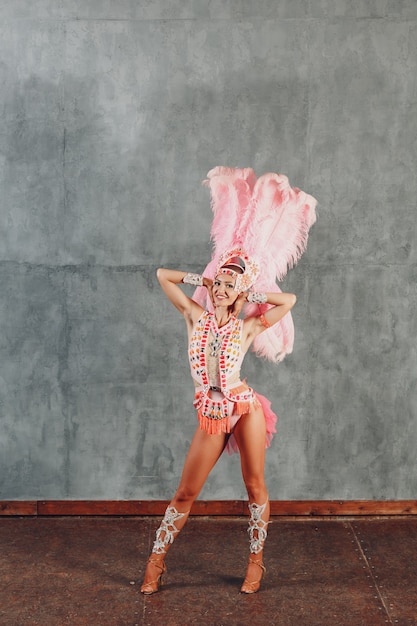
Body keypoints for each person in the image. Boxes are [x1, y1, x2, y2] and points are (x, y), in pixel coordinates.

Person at [140, 248, 297, 595]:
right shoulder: (194, 315)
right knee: (186, 491)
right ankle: (157, 559)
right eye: (218, 284)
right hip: (210, 414)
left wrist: (248, 293)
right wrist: (204, 279)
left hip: (243, 408)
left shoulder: (247, 327)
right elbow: (163, 275)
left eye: (229, 285)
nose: (221, 290)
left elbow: (288, 300)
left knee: (254, 485)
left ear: (238, 291)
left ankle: (256, 561)